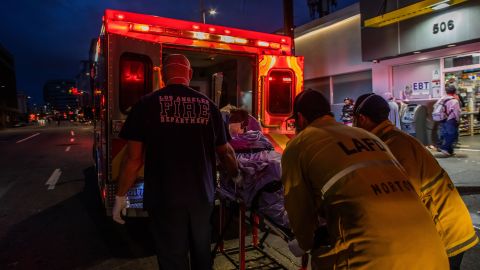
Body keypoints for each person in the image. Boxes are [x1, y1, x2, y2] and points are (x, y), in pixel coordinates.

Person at [281, 89, 448, 269]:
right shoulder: (370, 137)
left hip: (376, 261)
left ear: (300, 118)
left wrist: (304, 242)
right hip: (433, 254)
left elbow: (299, 209)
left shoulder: (299, 145)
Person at [112, 54, 239, 270]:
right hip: (202, 197)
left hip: (164, 198)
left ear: (163, 75)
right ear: (189, 74)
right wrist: (237, 176)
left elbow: (133, 159)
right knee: (201, 252)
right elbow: (225, 152)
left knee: (172, 257)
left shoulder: (145, 105)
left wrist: (120, 196)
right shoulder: (210, 107)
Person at [353, 93, 478, 270]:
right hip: (442, 226)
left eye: (353, 118)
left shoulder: (394, 145)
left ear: (362, 118)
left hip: (446, 231)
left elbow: (400, 199)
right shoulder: (389, 140)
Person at [438, 85, 461, 156]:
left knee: (446, 135)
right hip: (450, 120)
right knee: (452, 135)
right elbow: (456, 112)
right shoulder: (454, 101)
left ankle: (450, 151)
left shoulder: (441, 99)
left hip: (442, 119)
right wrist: (458, 120)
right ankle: (444, 148)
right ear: (454, 92)